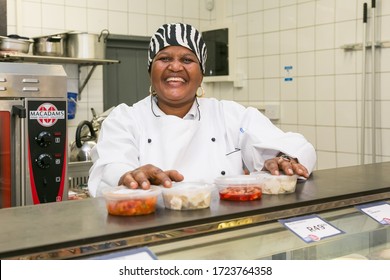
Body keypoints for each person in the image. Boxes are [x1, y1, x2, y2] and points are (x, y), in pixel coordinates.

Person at [87, 22, 316, 197]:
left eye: (187, 60)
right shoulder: (126, 118)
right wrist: (128, 176)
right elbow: (109, 166)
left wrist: (284, 158)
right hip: (150, 237)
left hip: (223, 236)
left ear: (201, 73)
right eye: (164, 58)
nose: (175, 67)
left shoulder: (229, 115)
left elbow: (291, 144)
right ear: (150, 70)